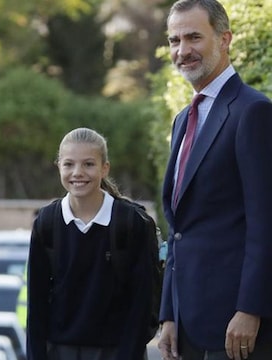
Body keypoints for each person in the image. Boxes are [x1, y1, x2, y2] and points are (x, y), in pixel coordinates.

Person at [158, 1, 272, 359]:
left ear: (225, 39)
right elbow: (179, 227)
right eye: (174, 40)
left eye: (194, 37)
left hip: (236, 327)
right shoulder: (181, 120)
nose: (182, 50)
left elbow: (265, 222)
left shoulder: (252, 111)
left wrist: (251, 308)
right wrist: (168, 314)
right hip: (187, 324)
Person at [27, 127, 158, 360]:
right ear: (58, 166)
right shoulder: (47, 223)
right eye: (69, 164)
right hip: (59, 351)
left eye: (88, 164)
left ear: (104, 168)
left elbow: (143, 303)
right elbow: (36, 305)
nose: (78, 172)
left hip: (118, 352)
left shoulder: (131, 223)